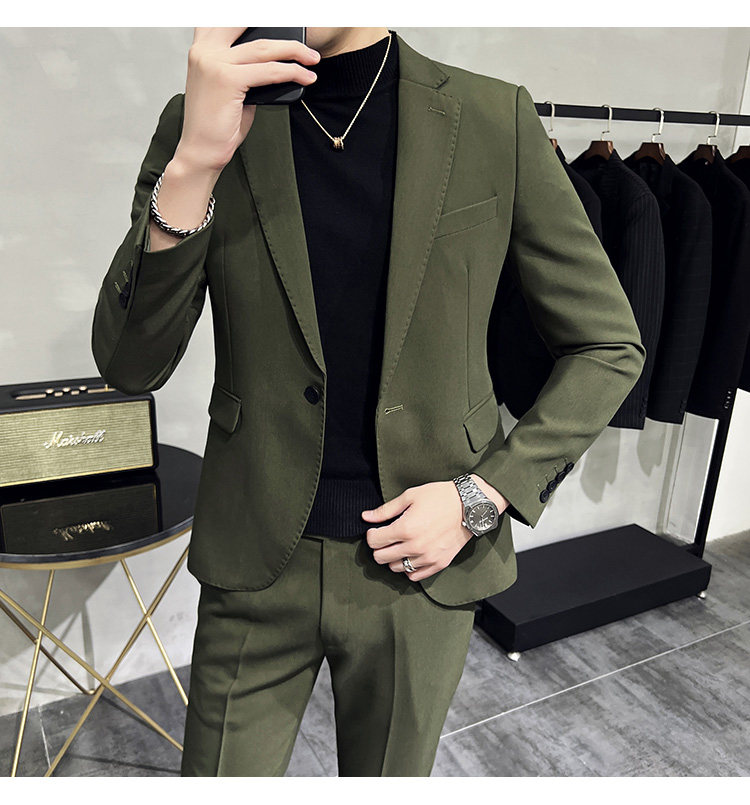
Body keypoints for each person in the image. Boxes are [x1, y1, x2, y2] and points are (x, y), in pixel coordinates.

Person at [91, 27, 646, 776]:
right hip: (257, 549)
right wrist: (195, 164)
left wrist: (483, 497)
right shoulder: (203, 118)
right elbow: (130, 363)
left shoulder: (491, 118)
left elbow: (607, 345)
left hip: (423, 563)